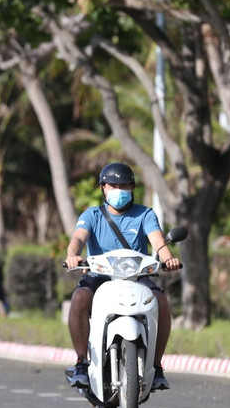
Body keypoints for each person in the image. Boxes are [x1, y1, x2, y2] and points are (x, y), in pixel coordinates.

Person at [62, 162, 181, 395]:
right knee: (78, 299)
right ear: (102, 188)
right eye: (113, 185)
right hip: (99, 276)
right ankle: (80, 363)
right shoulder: (93, 215)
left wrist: (168, 258)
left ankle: (156, 367)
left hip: (136, 277)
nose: (119, 189)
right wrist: (72, 255)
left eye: (124, 185)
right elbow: (78, 238)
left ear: (133, 187)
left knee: (161, 302)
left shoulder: (145, 214)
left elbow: (158, 241)